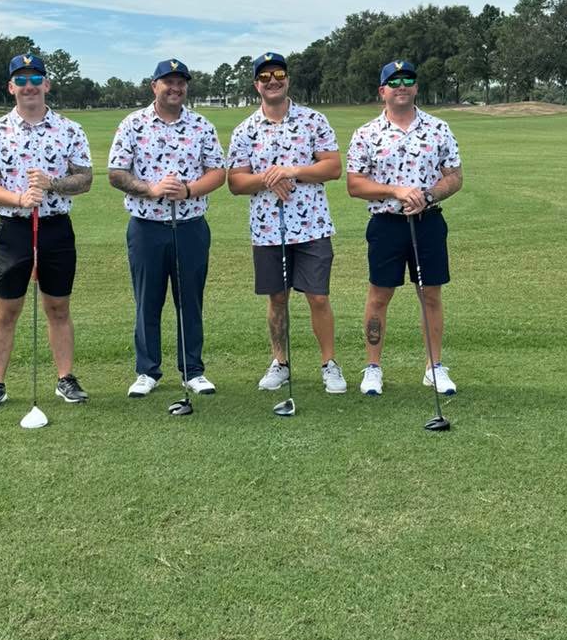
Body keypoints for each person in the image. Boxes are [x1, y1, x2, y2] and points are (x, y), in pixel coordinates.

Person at [0, 53, 93, 412]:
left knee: (58, 307)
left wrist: (52, 184)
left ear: (47, 84)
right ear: (11, 87)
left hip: (56, 228)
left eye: (35, 79)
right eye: (21, 80)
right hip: (13, 229)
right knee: (6, 310)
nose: (29, 86)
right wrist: (19, 199)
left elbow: (85, 179)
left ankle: (65, 378)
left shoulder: (70, 129)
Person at [227, 52, 347, 395]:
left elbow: (332, 167)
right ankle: (280, 362)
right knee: (277, 298)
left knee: (318, 298)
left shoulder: (314, 120)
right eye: (265, 77)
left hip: (312, 226)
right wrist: (268, 178)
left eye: (278, 74)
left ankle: (329, 364)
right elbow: (236, 182)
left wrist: (292, 170)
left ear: (288, 79)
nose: (273, 80)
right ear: (256, 85)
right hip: (267, 229)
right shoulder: (244, 130)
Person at [108, 58, 226, 399]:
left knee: (190, 299)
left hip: (190, 226)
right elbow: (116, 173)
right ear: (154, 86)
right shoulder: (133, 124)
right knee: (148, 300)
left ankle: (193, 370)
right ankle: (147, 371)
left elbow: (217, 172)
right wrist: (150, 189)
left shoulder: (201, 125)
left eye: (181, 82)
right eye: (168, 82)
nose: (175, 88)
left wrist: (188, 190)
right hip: (146, 227)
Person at [346, 59, 463, 396]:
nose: (401, 85)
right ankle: (373, 367)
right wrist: (395, 191)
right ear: (382, 90)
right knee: (379, 295)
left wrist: (427, 195)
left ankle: (434, 366)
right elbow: (355, 184)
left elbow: (454, 176)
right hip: (386, 224)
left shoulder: (438, 128)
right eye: (393, 81)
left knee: (430, 294)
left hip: (428, 222)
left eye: (408, 79)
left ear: (416, 87)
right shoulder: (366, 133)